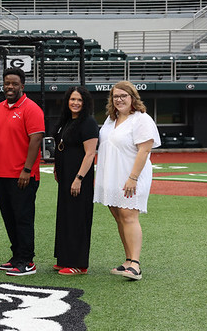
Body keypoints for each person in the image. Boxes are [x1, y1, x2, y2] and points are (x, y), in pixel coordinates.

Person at [94, 81, 160, 281]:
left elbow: (145, 150)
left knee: (129, 216)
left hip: (130, 176)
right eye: (115, 96)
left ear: (133, 98)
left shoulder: (141, 119)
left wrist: (133, 178)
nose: (119, 99)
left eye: (123, 96)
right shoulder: (110, 119)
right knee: (119, 217)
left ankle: (136, 265)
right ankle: (128, 260)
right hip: (111, 176)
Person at [0, 67, 45, 277]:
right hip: (1, 175)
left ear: (22, 85)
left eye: (14, 84)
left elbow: (36, 140)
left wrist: (27, 169)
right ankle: (16, 256)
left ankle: (27, 260)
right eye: (7, 83)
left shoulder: (31, 109)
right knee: (9, 218)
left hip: (23, 175)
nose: (10, 87)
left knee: (23, 218)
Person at [53, 86, 99, 276]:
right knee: (66, 217)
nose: (75, 103)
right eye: (72, 99)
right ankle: (65, 259)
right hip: (65, 176)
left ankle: (79, 264)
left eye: (79, 100)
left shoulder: (88, 122)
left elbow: (90, 154)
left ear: (85, 102)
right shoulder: (66, 121)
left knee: (78, 218)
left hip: (79, 177)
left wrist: (78, 178)